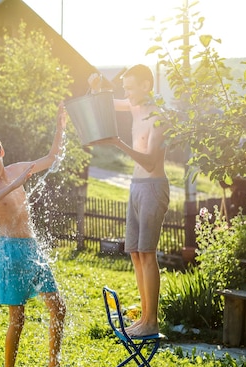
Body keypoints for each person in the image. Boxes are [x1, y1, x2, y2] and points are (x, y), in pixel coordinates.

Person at [0, 102, 75, 367]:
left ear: (0, 152)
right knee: (18, 317)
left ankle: (54, 365)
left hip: (32, 248)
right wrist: (11, 186)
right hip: (10, 252)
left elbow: (51, 158)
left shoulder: (17, 168)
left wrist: (59, 127)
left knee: (58, 307)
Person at [88, 64, 169, 337]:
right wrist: (96, 89)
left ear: (147, 86)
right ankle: (144, 319)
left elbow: (149, 162)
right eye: (126, 88)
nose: (127, 93)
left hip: (153, 187)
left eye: (131, 88)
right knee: (135, 253)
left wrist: (118, 143)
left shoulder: (158, 118)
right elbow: (108, 104)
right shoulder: (134, 107)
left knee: (147, 253)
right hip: (135, 187)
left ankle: (152, 322)